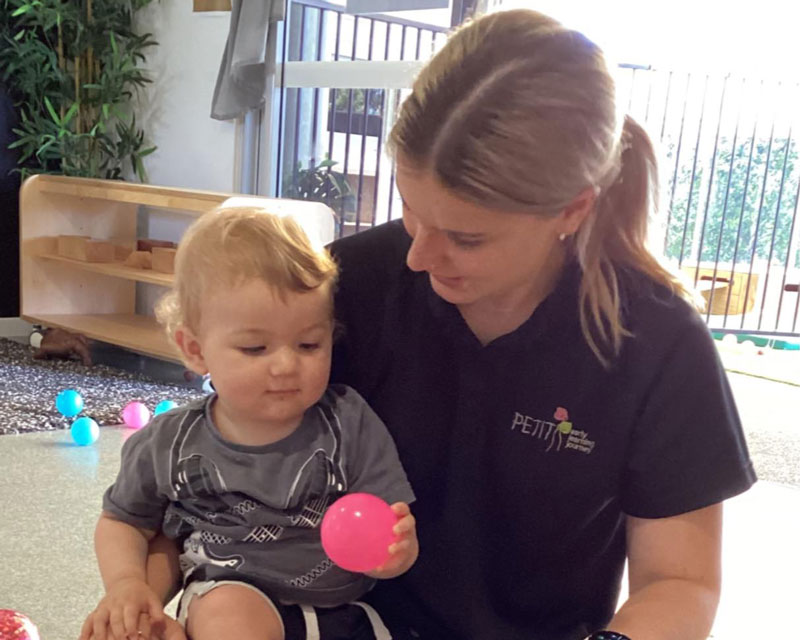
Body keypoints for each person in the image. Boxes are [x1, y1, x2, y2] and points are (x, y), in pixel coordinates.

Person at [86, 8, 756, 640]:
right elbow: (202, 488)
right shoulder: (348, 289)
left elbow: (680, 581)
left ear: (571, 210)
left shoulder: (657, 345)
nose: (420, 254)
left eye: (465, 238)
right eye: (411, 209)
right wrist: (140, 600)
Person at [80, 208, 417, 640]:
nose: (285, 365)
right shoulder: (170, 441)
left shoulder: (347, 420)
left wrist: (395, 553)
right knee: (228, 616)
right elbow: (123, 520)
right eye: (255, 348)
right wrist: (127, 584)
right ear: (195, 349)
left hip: (343, 608)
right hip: (232, 592)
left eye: (309, 343)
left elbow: (386, 518)